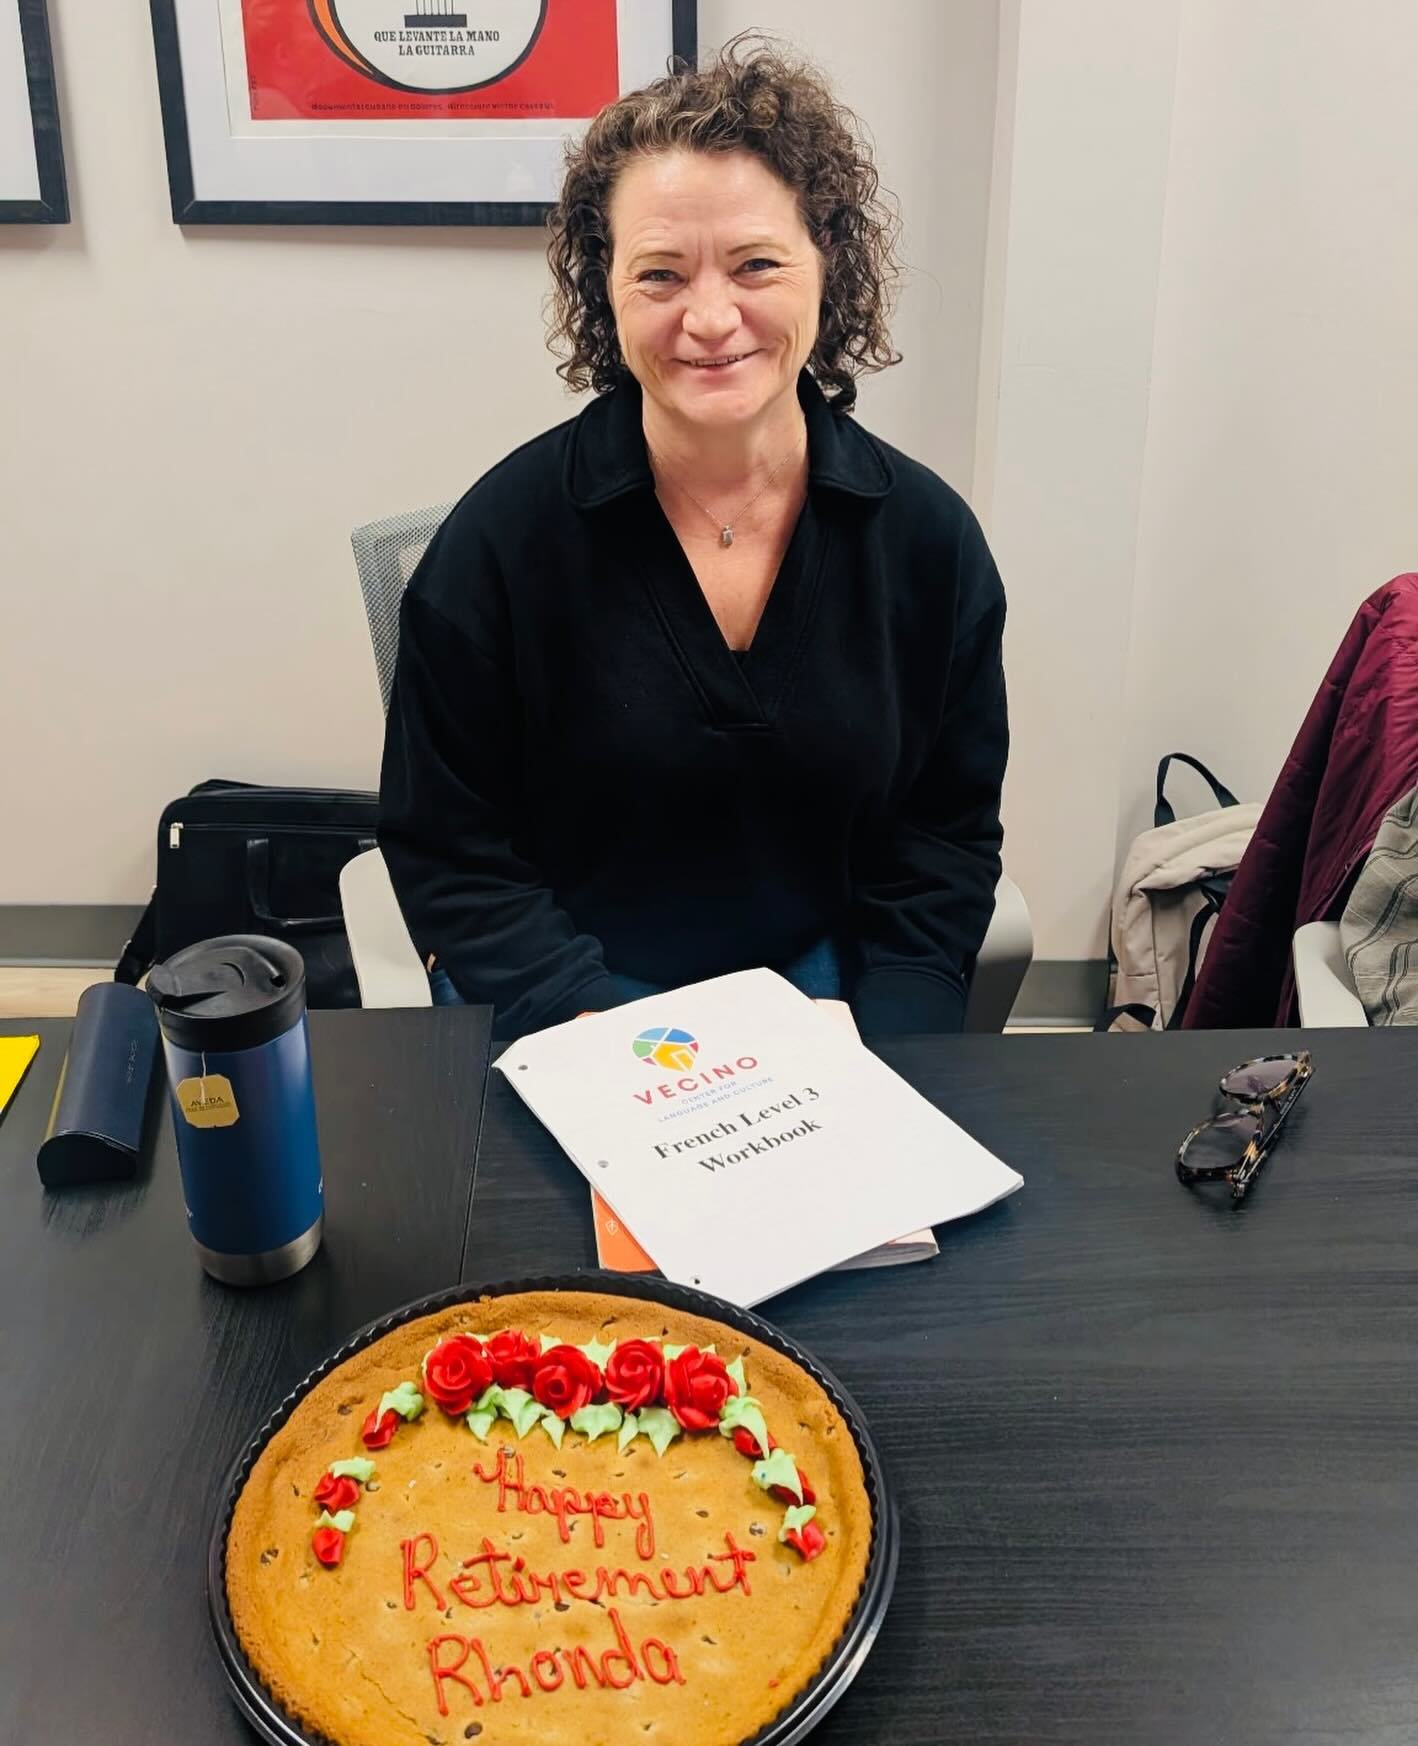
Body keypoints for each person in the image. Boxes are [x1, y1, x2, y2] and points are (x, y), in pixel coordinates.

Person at [378, 37, 1009, 1041]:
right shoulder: (498, 546)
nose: (709, 318)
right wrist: (610, 1057)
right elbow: (456, 853)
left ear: (825, 267)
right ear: (607, 291)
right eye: (660, 274)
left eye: (755, 263)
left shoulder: (927, 547)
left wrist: (899, 1052)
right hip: (567, 991)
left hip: (821, 989)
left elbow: (938, 844)